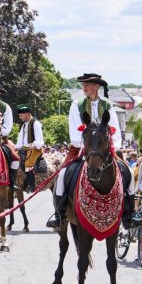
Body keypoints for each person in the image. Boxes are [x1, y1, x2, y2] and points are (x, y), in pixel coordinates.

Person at [47, 73, 122, 228]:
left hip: (105, 149)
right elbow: (74, 131)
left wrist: (113, 146)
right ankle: (59, 213)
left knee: (125, 170)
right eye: (83, 85)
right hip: (80, 147)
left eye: (88, 84)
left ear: (97, 86)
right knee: (61, 174)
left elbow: (115, 129)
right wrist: (85, 146)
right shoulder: (77, 104)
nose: (84, 87)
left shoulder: (108, 105)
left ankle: (128, 212)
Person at [14, 104, 44, 193]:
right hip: (26, 149)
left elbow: (39, 140)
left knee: (28, 163)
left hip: (35, 148)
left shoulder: (36, 123)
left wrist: (33, 145)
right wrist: (15, 148)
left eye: (21, 115)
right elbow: (20, 141)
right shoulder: (24, 126)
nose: (20, 117)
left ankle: (32, 186)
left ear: (27, 114)